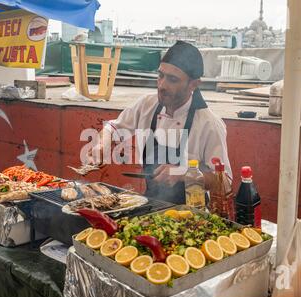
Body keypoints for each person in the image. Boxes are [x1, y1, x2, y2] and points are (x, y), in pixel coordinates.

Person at [88, 40, 231, 204]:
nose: (162, 85)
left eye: (172, 79)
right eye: (160, 75)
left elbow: (225, 182)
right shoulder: (146, 105)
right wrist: (102, 143)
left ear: (194, 84)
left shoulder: (209, 124)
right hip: (149, 204)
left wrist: (184, 174)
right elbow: (112, 127)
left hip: (192, 214)